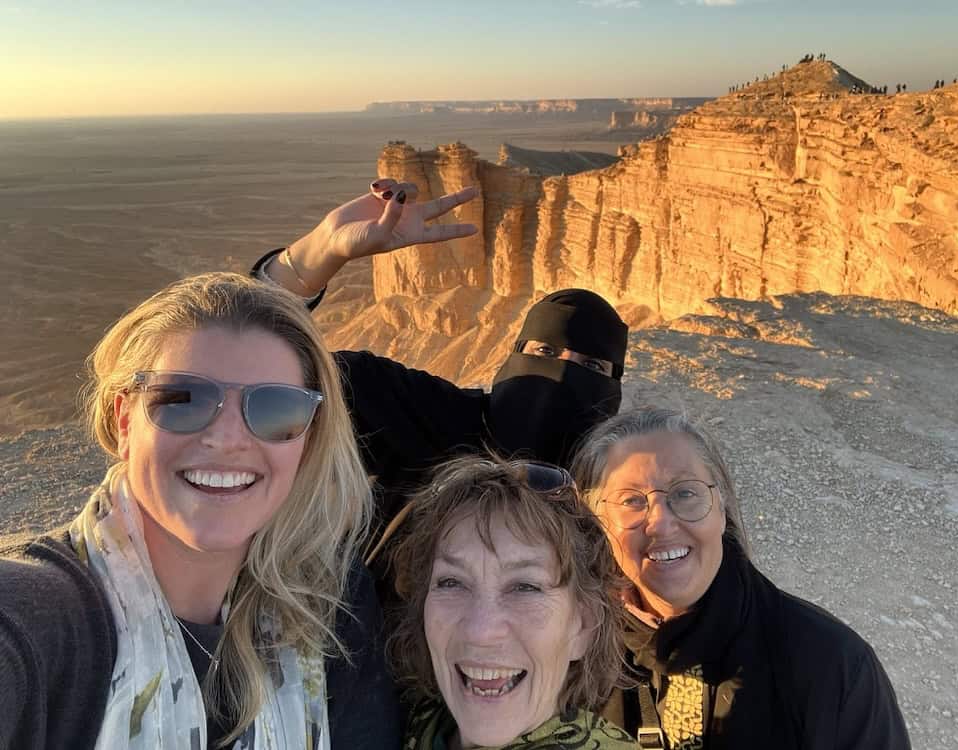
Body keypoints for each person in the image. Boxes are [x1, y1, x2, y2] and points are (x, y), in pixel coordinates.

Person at [0, 273, 400, 749]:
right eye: (183, 400)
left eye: (274, 409)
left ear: (307, 438)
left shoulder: (328, 610)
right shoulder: (38, 622)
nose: (227, 439)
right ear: (124, 420)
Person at [250, 179, 629, 555]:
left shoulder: (619, 487)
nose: (562, 376)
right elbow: (263, 376)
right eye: (545, 351)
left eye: (592, 366)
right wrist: (314, 257)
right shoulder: (426, 417)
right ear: (515, 354)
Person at [571, 409, 911, 750]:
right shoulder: (570, 654)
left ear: (722, 508)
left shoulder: (833, 665)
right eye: (631, 500)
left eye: (685, 494)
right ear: (596, 523)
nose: (661, 523)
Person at [388, 455, 639, 750]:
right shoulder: (411, 724)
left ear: (583, 626)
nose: (480, 632)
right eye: (451, 582)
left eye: (524, 587)